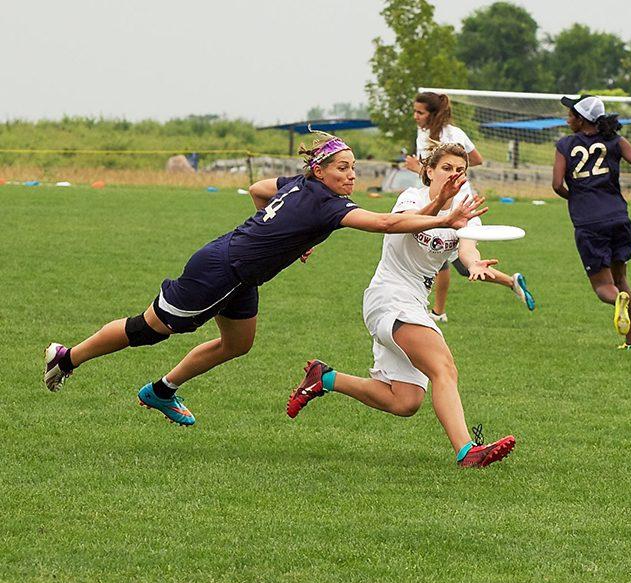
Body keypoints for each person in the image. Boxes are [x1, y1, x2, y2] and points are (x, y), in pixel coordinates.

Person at [42, 134, 486, 426]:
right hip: (218, 271)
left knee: (237, 345)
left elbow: (258, 189)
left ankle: (161, 391)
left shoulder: (299, 185)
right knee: (147, 330)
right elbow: (389, 224)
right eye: (342, 169)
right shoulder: (329, 206)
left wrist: (281, 235)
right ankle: (67, 357)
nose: (351, 175)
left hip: (243, 276)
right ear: (320, 172)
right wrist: (447, 214)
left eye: (353, 167)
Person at [287, 142, 515, 468]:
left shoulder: (465, 211)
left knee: (405, 401)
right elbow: (404, 222)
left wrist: (475, 264)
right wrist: (442, 212)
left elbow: (468, 249)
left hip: (414, 303)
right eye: (447, 168)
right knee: (443, 367)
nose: (454, 175)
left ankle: (324, 378)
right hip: (389, 296)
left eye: (460, 170)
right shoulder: (412, 198)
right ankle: (468, 451)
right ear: (430, 171)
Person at [405, 91, 535, 322]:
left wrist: (419, 168)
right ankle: (509, 281)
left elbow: (472, 160)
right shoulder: (427, 134)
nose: (415, 116)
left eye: (420, 112)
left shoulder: (452, 134)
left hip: (461, 207)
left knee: (446, 257)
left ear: (433, 114)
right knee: (459, 264)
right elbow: (473, 161)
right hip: (441, 203)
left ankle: (438, 311)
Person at [551, 95, 631, 350]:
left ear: (581, 119)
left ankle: (617, 301)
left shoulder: (565, 145)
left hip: (589, 222)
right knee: (622, 279)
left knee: (603, 286)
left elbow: (556, 185)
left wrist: (575, 197)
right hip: (618, 217)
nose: (567, 119)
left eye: (571, 115)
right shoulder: (616, 141)